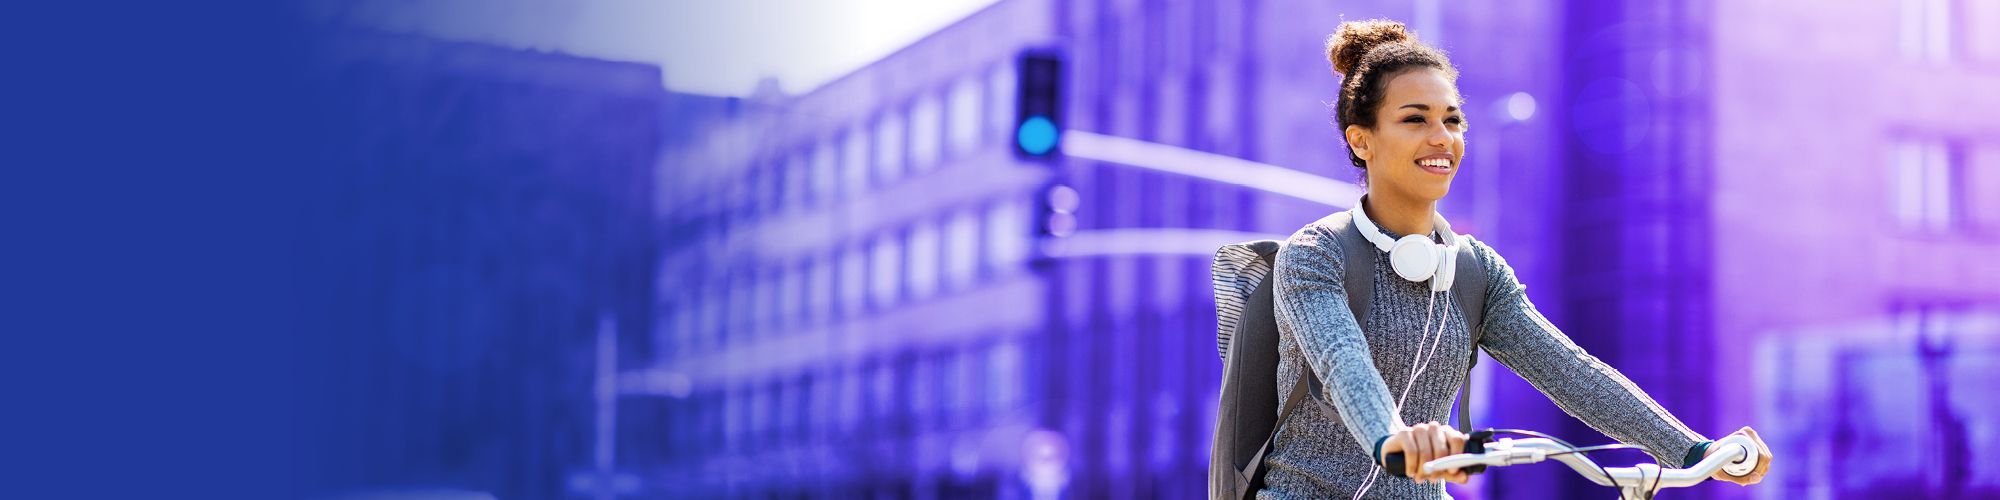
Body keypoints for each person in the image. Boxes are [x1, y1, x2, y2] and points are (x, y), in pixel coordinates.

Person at [1258, 19, 1772, 498]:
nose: (1442, 137)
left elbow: (1572, 373)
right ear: (1362, 140)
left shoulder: (1475, 271)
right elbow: (1343, 362)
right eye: (1415, 119)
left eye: (1452, 120)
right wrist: (1392, 438)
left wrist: (1693, 450)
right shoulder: (1315, 254)